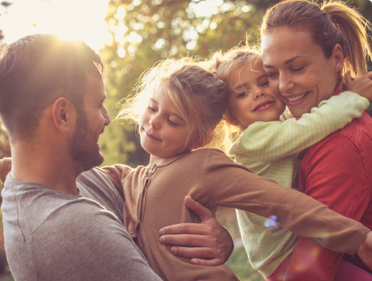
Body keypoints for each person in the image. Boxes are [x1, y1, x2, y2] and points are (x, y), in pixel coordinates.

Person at [92, 57, 372, 281]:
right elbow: (70, 172)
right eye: (152, 108)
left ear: (199, 138)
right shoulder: (128, 178)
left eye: (173, 121)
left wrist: (356, 236)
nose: (154, 123)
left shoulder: (205, 165)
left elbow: (284, 203)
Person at [0, 34, 233, 281]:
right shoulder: (71, 227)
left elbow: (144, 186)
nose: (107, 118)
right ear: (63, 115)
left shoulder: (67, 178)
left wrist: (220, 238)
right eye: (98, 104)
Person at [209, 45, 372, 280]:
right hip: (281, 258)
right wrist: (353, 97)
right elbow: (315, 124)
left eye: (264, 82)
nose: (257, 93)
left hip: (295, 242)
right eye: (242, 93)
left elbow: (311, 116)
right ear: (232, 117)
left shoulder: (282, 123)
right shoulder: (253, 141)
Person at [259, 0, 372, 280]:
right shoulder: (301, 129)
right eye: (271, 73)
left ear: (336, 58)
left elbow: (309, 270)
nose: (283, 85)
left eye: (296, 67)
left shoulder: (341, 143)